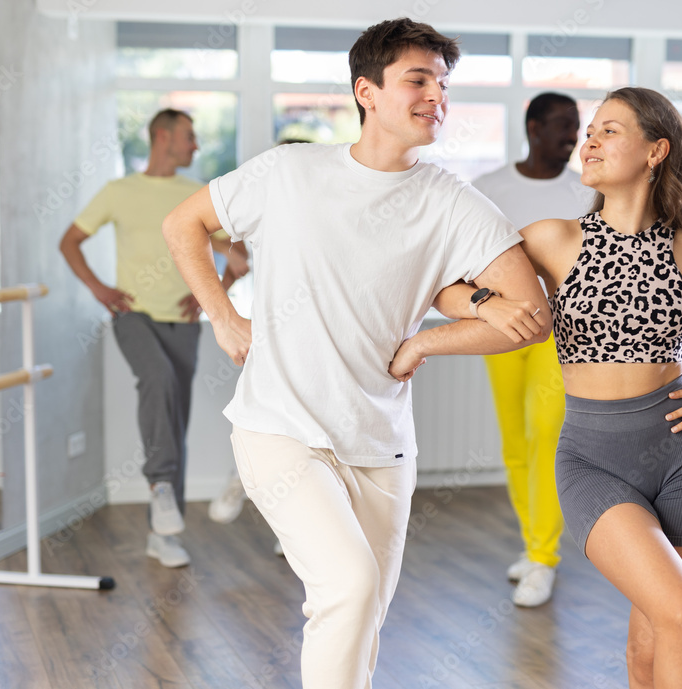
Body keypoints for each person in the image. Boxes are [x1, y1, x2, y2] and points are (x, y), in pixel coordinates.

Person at [162, 18, 549, 688]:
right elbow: (183, 223)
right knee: (348, 586)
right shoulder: (290, 171)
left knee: (362, 612)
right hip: (280, 427)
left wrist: (429, 335)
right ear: (366, 92)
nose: (436, 96)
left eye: (443, 84)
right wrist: (224, 316)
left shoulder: (451, 201)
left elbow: (532, 315)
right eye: (418, 80)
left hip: (381, 442)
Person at [432, 87, 682, 688]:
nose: (590, 142)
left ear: (656, 151)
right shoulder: (552, 239)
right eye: (590, 132)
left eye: (609, 130)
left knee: (649, 646)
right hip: (594, 460)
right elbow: (443, 282)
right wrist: (469, 313)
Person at [60, 108, 248, 569]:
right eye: (189, 136)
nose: (196, 145)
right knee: (158, 380)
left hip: (182, 322)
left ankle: (163, 535)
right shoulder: (119, 191)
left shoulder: (195, 195)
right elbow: (70, 241)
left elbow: (238, 254)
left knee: (174, 418)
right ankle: (160, 483)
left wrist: (209, 296)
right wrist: (99, 289)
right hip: (133, 315)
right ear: (162, 137)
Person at [471, 92, 594, 606]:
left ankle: (544, 557)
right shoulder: (488, 188)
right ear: (534, 127)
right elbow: (466, 258)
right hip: (501, 330)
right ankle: (532, 543)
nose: (574, 136)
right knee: (515, 443)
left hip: (561, 333)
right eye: (564, 125)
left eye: (577, 125)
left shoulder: (588, 191)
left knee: (547, 434)